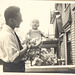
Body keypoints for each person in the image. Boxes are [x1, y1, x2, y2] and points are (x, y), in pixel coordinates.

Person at [0, 6, 29, 72]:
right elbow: (15, 59)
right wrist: (27, 47)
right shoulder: (7, 35)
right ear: (11, 20)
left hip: (15, 67)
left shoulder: (11, 33)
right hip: (12, 69)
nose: (22, 20)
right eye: (19, 18)